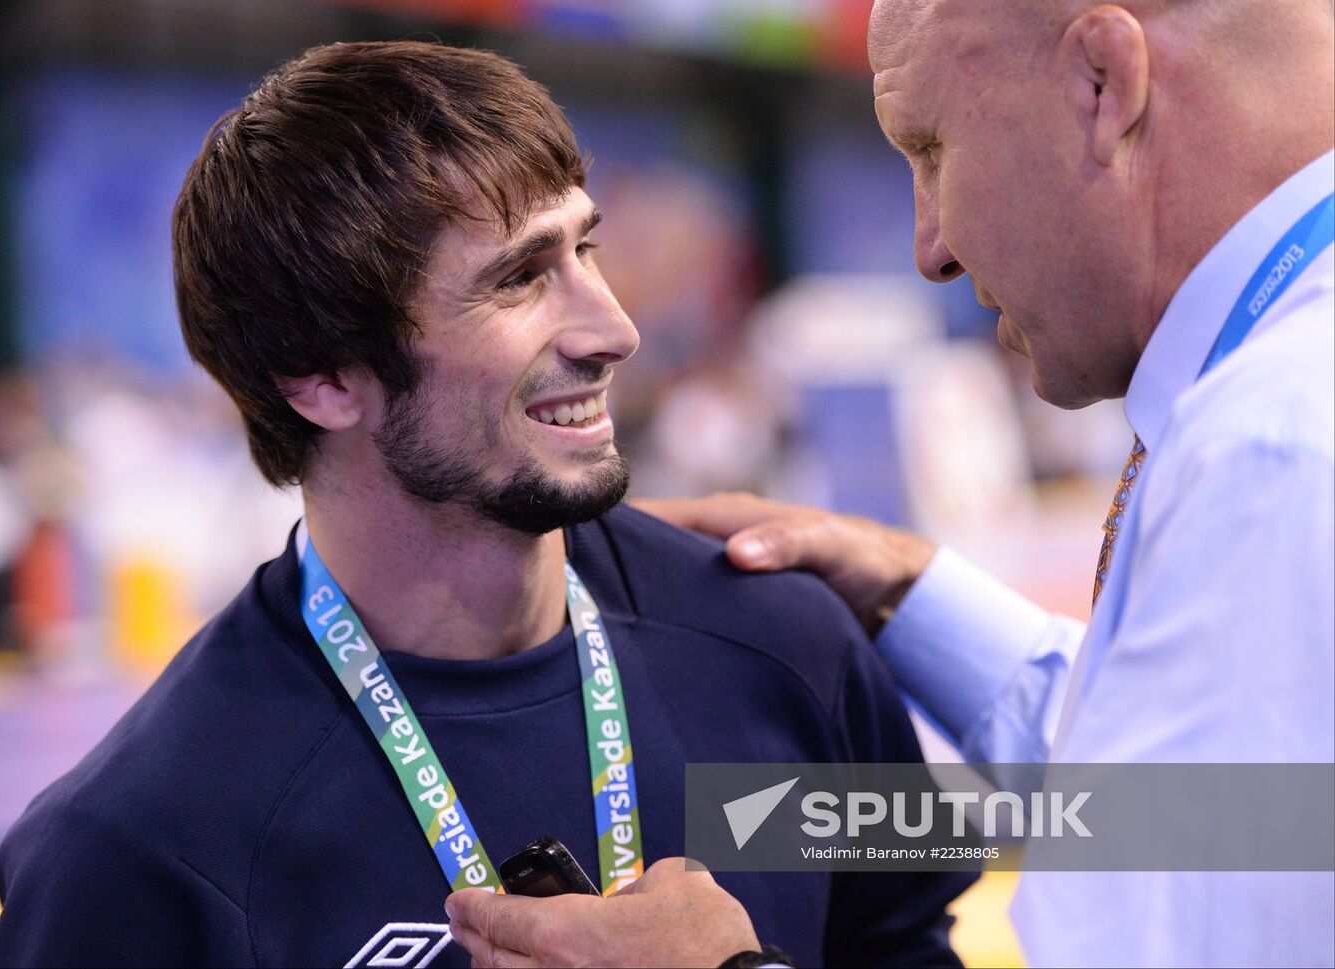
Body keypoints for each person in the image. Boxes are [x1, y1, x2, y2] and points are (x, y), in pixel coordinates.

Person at [0, 41, 974, 969]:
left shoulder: (786, 647)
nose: (615, 328)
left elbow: (1033, 871)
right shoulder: (140, 847)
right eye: (520, 279)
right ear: (319, 376)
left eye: (584, 250)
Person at [446, 1, 1335, 966]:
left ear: (1102, 84)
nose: (930, 246)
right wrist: (922, 601)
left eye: (932, 148)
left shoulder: (1272, 453)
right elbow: (1245, 815)